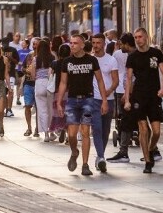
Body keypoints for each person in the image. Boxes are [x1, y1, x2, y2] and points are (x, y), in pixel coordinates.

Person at [56, 33, 108, 176]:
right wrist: (59, 102)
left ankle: (85, 165)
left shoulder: (91, 60)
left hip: (88, 100)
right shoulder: (67, 62)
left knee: (85, 132)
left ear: (83, 45)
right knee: (72, 135)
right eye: (71, 43)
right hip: (72, 100)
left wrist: (104, 100)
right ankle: (74, 151)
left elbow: (100, 80)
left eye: (75, 43)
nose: (72, 45)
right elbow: (63, 82)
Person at [124, 27, 163, 173]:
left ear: (146, 37)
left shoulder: (156, 53)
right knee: (143, 128)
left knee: (156, 131)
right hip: (138, 96)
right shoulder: (132, 56)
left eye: (140, 37)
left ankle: (150, 149)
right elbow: (128, 78)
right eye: (135, 37)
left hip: (153, 96)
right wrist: (128, 99)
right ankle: (147, 161)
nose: (137, 40)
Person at [89, 32, 118, 173]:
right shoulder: (89, 59)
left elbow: (116, 81)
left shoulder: (111, 60)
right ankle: (100, 157)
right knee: (97, 129)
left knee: (105, 130)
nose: (95, 46)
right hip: (93, 99)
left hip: (109, 99)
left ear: (104, 44)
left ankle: (100, 156)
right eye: (93, 43)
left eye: (98, 43)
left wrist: (106, 93)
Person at [108, 32, 136, 163]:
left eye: (121, 44)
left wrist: (127, 94)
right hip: (126, 91)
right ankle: (152, 150)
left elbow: (131, 78)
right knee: (135, 121)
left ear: (126, 44)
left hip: (127, 92)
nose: (119, 46)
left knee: (125, 119)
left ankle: (124, 151)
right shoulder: (130, 55)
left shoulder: (128, 56)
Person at [33, 38, 55, 142]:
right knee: (51, 109)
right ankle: (52, 132)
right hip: (50, 83)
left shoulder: (35, 59)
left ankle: (45, 134)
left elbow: (33, 75)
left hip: (39, 83)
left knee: (42, 110)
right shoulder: (52, 58)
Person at [21, 38, 39, 137]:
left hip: (38, 84)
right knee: (27, 106)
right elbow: (22, 68)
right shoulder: (29, 55)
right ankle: (29, 127)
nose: (34, 46)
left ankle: (37, 128)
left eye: (36, 44)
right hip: (28, 83)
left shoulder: (42, 57)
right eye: (33, 44)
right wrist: (27, 71)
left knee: (38, 108)